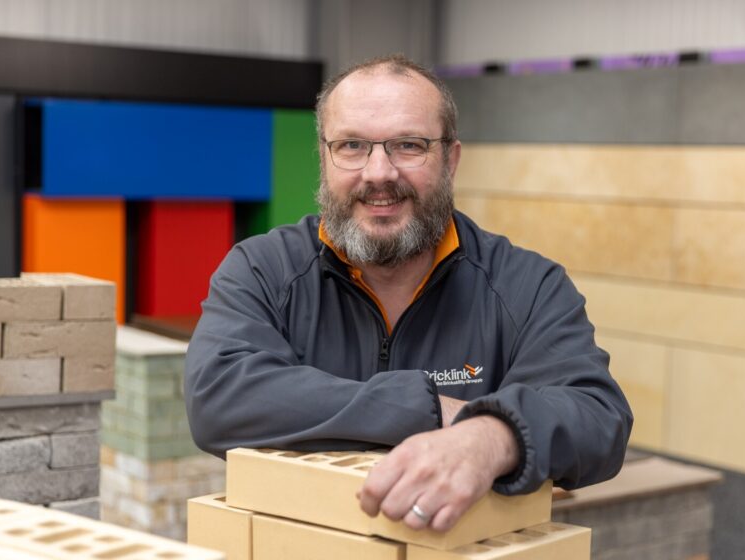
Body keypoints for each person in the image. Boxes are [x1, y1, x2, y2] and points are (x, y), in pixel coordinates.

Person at [185, 54, 632, 533]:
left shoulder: (527, 287)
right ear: (325, 157)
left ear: (451, 160)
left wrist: (494, 434)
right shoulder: (262, 270)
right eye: (352, 145)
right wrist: (431, 409)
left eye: (408, 145)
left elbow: (598, 419)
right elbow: (218, 396)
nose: (379, 173)